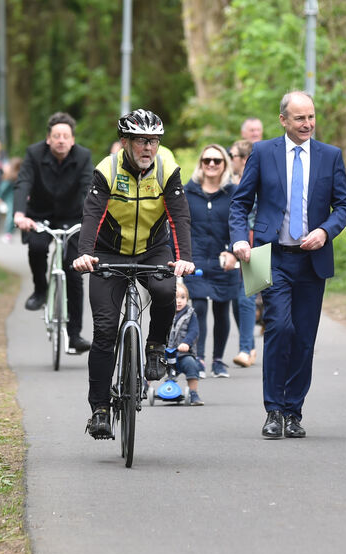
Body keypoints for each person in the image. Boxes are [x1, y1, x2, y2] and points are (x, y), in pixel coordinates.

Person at [229, 91, 346, 439]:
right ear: (283, 120)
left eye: (311, 117)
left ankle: (293, 411)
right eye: (300, 118)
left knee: (303, 338)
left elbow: (344, 206)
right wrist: (241, 238)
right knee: (279, 329)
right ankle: (273, 409)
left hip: (312, 261)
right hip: (271, 256)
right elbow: (240, 203)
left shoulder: (330, 156)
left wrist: (325, 232)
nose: (307, 124)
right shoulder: (263, 153)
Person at [72, 108, 194, 439]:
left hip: (153, 248)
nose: (148, 148)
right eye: (141, 141)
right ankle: (99, 410)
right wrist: (85, 254)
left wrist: (184, 259)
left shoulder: (167, 168)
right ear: (125, 142)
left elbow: (179, 216)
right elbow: (92, 214)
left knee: (166, 290)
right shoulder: (107, 170)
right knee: (105, 331)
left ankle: (154, 347)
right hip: (108, 251)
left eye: (153, 141)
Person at [13, 112, 93, 354]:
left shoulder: (83, 156)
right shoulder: (34, 154)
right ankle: (40, 289)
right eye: (56, 136)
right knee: (37, 247)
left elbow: (89, 187)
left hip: (72, 218)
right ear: (48, 139)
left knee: (74, 270)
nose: (61, 140)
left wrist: (92, 218)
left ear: (72, 140)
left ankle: (75, 334)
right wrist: (19, 214)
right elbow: (23, 182)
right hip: (39, 215)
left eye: (65, 136)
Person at [183, 144, 239, 379]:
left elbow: (240, 224)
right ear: (201, 164)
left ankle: (218, 360)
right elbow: (179, 225)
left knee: (221, 307)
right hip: (195, 259)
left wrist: (232, 252)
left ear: (225, 164)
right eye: (207, 160)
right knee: (199, 307)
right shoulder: (188, 191)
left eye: (217, 160)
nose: (212, 164)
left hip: (223, 259)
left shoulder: (234, 192)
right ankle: (199, 358)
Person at [228, 139, 258, 368]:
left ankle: (246, 349)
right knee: (236, 300)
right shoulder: (228, 181)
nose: (230, 160)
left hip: (255, 240)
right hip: (232, 242)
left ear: (244, 159)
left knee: (246, 295)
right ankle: (249, 346)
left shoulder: (259, 179)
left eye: (233, 155)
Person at [168, 282, 204, 406]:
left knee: (191, 365)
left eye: (182, 297)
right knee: (154, 364)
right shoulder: (165, 313)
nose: (179, 301)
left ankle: (194, 393)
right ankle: (145, 387)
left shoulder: (190, 314)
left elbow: (194, 331)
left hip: (183, 353)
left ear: (187, 299)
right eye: (175, 297)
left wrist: (186, 343)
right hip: (167, 353)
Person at [0, 157, 22, 243]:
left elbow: (2, 189)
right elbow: (3, 188)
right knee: (12, 216)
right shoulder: (11, 176)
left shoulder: (13, 175)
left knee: (12, 216)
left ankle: (9, 233)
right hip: (11, 199)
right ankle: (8, 233)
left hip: (13, 199)